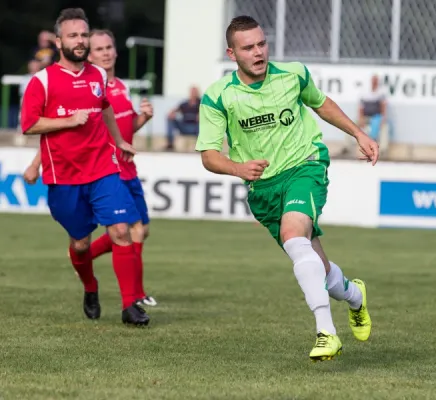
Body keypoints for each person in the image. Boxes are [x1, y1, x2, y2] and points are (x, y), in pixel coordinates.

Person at [196, 15, 378, 362]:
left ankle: (326, 332)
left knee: (295, 237)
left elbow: (321, 103)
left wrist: (359, 133)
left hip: (305, 165)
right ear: (231, 54)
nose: (258, 52)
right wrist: (238, 168)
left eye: (262, 44)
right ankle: (355, 296)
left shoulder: (293, 74)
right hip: (263, 189)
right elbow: (207, 155)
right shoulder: (219, 96)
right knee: (315, 266)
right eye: (248, 47)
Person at [20, 8, 151, 326]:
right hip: (64, 177)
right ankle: (90, 287)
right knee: (80, 243)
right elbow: (29, 125)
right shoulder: (43, 81)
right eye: (73, 35)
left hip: (103, 168)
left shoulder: (97, 76)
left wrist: (119, 140)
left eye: (83, 35)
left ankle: (130, 305)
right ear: (58, 40)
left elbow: (105, 109)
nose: (79, 41)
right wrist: (67, 120)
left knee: (122, 231)